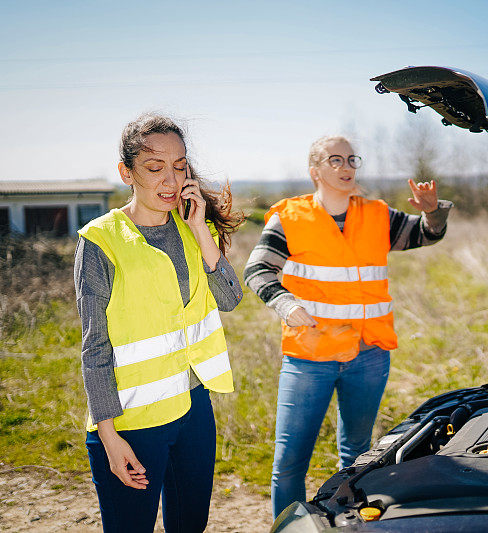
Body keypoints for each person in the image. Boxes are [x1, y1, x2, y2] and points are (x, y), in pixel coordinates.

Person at [243, 135, 452, 518]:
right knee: (290, 461)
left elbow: (427, 233)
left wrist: (433, 211)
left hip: (368, 356)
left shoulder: (377, 214)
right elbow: (257, 269)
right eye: (334, 160)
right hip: (309, 356)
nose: (346, 167)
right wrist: (285, 304)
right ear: (315, 171)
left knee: (357, 455)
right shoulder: (289, 217)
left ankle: (350, 524)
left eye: (351, 159)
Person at [74, 113, 244, 532]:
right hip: (132, 423)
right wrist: (110, 439)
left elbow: (230, 298)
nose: (170, 180)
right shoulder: (99, 241)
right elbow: (95, 348)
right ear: (126, 172)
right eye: (154, 168)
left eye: (180, 165)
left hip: (193, 410)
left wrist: (202, 230)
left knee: (191, 525)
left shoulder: (191, 228)